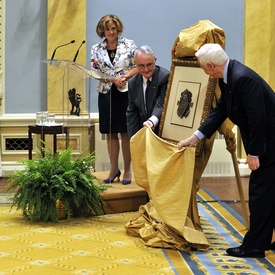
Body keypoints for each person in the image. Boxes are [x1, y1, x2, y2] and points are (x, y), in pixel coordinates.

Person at [177, 43, 275, 258]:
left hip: (269, 143)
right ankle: (264, 240)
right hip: (266, 141)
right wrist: (196, 137)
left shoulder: (242, 78)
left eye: (204, 68)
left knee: (260, 194)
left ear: (211, 65)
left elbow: (257, 118)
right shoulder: (229, 76)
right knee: (269, 193)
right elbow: (220, 111)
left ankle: (255, 246)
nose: (204, 73)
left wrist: (255, 153)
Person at [91, 14, 138, 184]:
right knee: (111, 133)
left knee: (125, 132)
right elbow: (95, 72)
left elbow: (137, 66)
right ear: (102, 30)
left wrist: (124, 77)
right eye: (107, 29)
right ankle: (113, 170)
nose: (111, 32)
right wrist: (112, 79)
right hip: (106, 93)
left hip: (125, 92)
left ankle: (127, 170)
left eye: (113, 28)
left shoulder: (129, 45)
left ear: (118, 29)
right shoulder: (96, 48)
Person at [126, 45, 170, 138]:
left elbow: (162, 104)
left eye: (149, 65)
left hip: (162, 132)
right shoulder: (132, 83)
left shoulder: (165, 77)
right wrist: (134, 139)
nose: (146, 69)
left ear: (155, 60)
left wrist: (151, 122)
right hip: (143, 134)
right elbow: (132, 113)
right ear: (135, 64)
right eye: (141, 66)